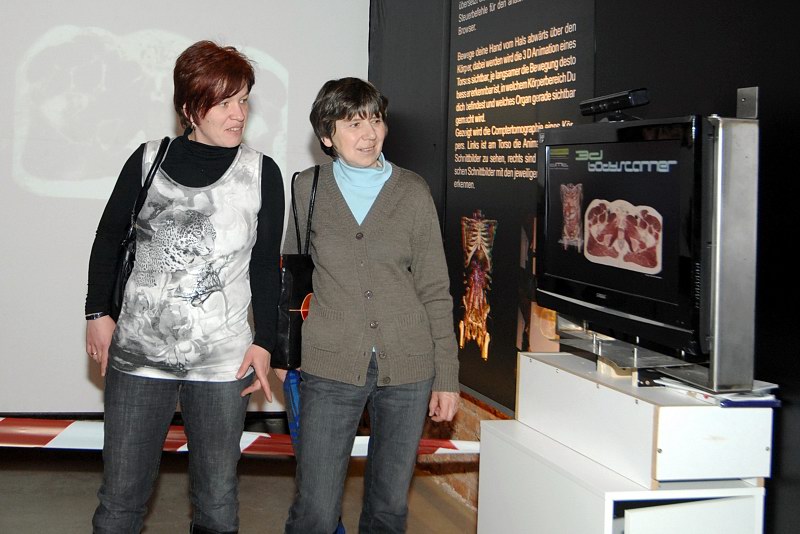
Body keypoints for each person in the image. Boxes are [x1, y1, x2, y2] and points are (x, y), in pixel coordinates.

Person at [84, 40, 284, 534]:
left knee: (217, 503)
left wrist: (265, 342)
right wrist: (97, 313)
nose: (238, 114)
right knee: (121, 500)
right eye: (224, 102)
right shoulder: (148, 160)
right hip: (138, 355)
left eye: (243, 100)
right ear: (191, 107)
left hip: (223, 362)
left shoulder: (262, 173)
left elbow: (265, 267)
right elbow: (108, 238)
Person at [283, 77, 460, 534]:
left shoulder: (412, 191)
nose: (369, 134)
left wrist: (446, 376)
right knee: (315, 509)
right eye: (353, 123)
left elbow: (435, 288)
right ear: (327, 136)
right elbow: (291, 277)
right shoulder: (308, 188)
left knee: (388, 508)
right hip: (331, 363)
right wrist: (284, 354)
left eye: (375, 120)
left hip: (409, 366)